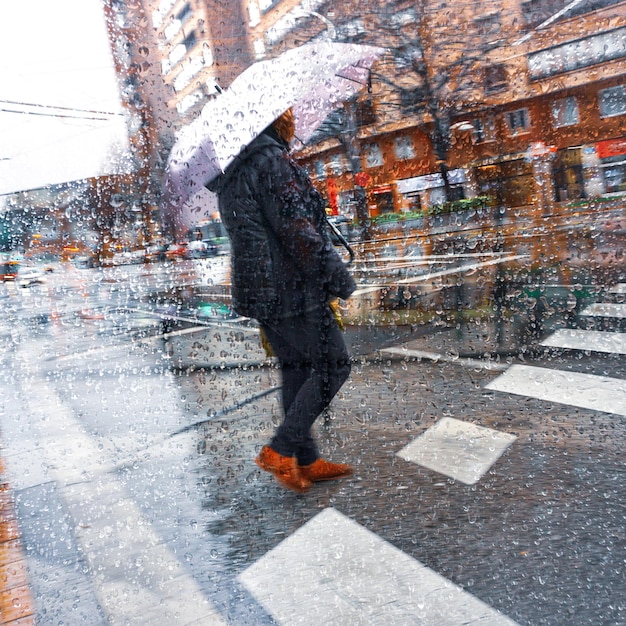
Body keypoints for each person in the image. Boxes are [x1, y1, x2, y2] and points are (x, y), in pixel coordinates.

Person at [206, 108, 356, 493]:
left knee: (298, 368)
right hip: (292, 287)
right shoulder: (270, 161)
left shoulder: (235, 169)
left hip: (261, 288)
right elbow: (297, 232)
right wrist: (338, 277)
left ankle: (304, 459)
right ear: (275, 119)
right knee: (334, 365)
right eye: (288, 113)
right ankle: (279, 449)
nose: (294, 118)